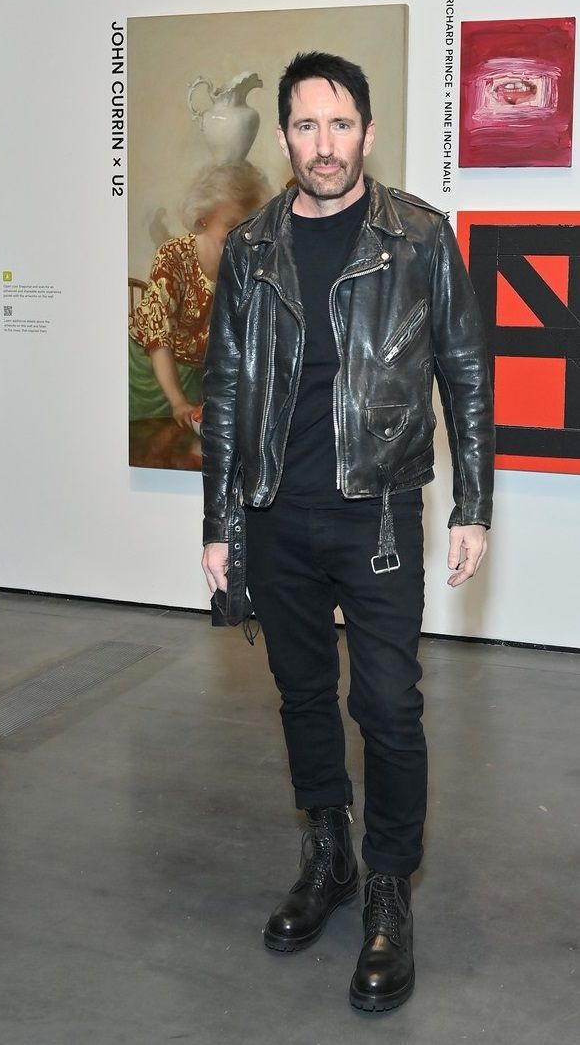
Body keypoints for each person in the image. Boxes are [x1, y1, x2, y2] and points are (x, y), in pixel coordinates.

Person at [200, 53, 494, 1012]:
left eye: (339, 124)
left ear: (366, 131)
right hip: (277, 513)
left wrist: (472, 503)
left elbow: (466, 373)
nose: (322, 145)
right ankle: (327, 855)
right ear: (284, 135)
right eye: (304, 126)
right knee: (300, 697)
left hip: (377, 516)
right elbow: (227, 391)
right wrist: (221, 524)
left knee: (390, 708)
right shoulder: (250, 249)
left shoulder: (418, 238)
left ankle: (386, 889)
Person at [128, 160, 271, 427]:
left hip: (197, 379)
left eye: (249, 227)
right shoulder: (173, 256)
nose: (241, 236)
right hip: (150, 376)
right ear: (202, 219)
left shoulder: (247, 266)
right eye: (231, 224)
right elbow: (159, 341)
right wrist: (177, 401)